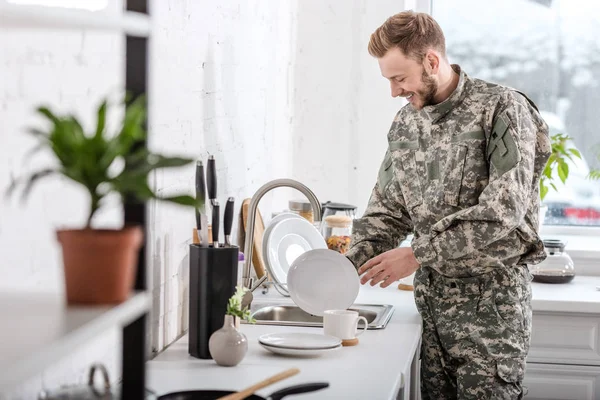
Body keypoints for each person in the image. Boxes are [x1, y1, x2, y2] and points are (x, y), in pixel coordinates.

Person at [344, 10, 551, 400]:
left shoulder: (501, 108)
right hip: (432, 310)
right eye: (388, 80)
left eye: (399, 78)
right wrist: (343, 268)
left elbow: (502, 210)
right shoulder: (406, 124)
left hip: (491, 313)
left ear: (432, 61)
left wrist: (416, 253)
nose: (394, 91)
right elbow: (388, 210)